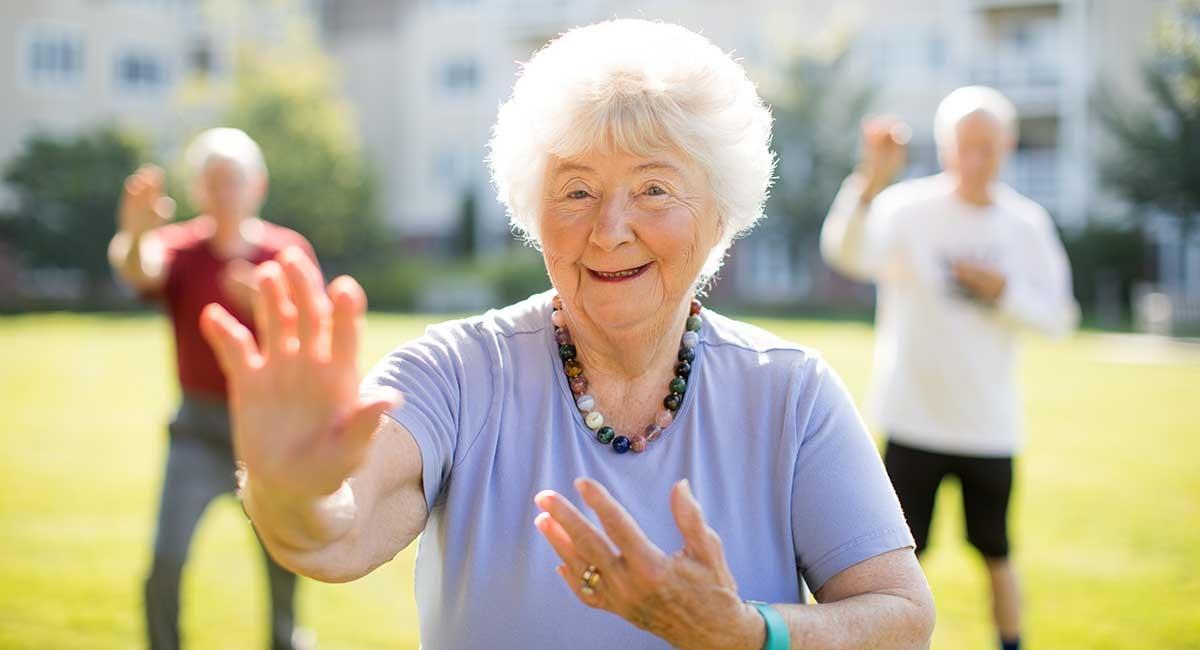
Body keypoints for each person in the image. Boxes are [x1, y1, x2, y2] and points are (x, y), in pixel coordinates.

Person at [200, 20, 935, 649]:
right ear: (532, 209)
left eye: (653, 188)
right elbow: (335, 532)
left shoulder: (789, 391)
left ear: (720, 213)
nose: (610, 231)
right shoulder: (456, 373)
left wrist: (748, 633)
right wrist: (288, 485)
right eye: (576, 190)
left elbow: (903, 616)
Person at [820, 86, 1080, 650]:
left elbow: (1061, 318)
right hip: (912, 419)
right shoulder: (905, 208)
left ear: (1007, 146)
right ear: (945, 147)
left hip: (989, 425)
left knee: (997, 553)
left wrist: (1004, 290)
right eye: (966, 146)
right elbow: (845, 252)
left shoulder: (1025, 224)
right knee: (895, 565)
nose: (977, 159)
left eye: (989, 146)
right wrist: (870, 177)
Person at [108, 128, 317, 650]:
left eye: (233, 180)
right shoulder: (180, 248)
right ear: (199, 190)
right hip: (196, 432)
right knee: (167, 558)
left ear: (257, 185)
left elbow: (316, 337)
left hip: (269, 434)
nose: (223, 191)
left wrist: (267, 310)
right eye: (212, 181)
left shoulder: (286, 252)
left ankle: (285, 640)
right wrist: (134, 233)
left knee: (284, 558)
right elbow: (139, 265)